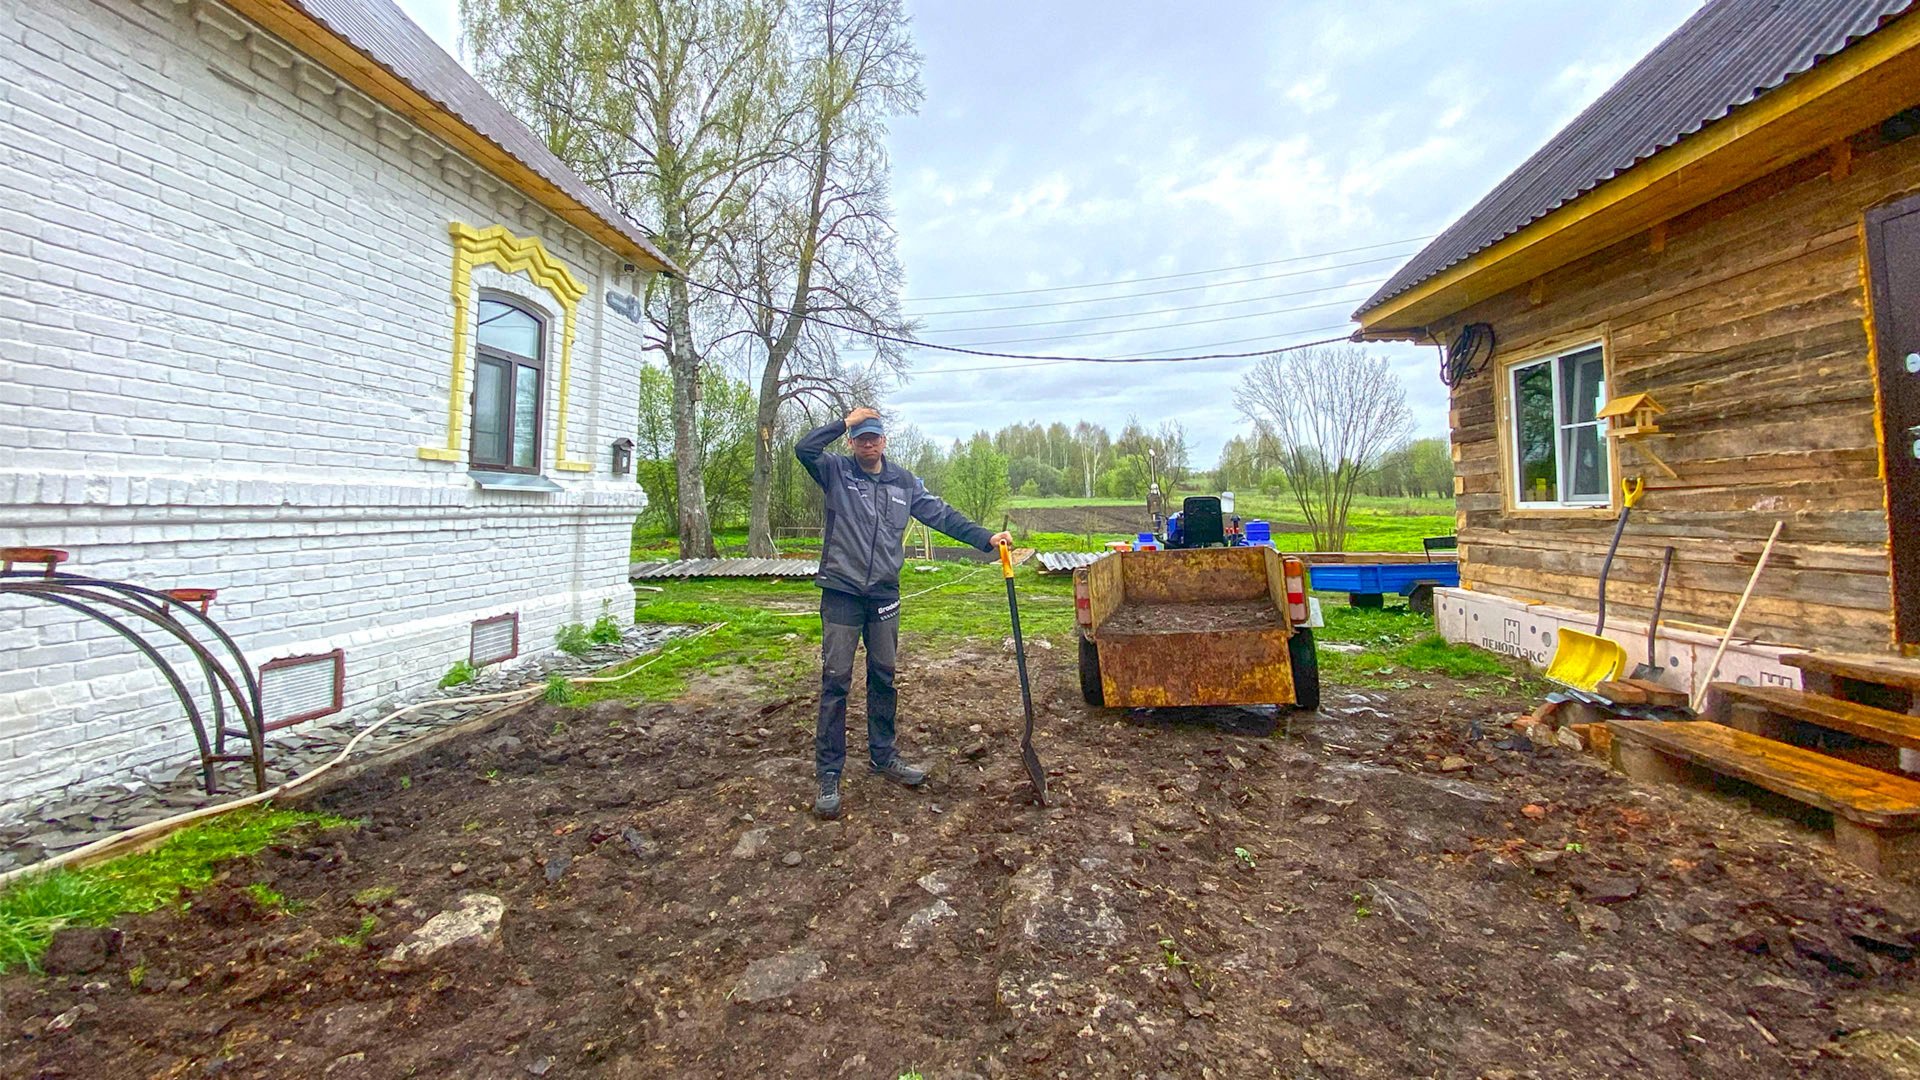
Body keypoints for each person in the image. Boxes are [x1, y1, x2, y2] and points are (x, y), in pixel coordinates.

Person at [796, 406, 1012, 819]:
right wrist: (845, 420)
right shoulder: (835, 471)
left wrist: (986, 538)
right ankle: (829, 773)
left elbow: (943, 515)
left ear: (884, 440)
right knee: (836, 681)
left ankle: (883, 755)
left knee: (884, 676)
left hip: (883, 593)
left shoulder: (903, 482)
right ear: (851, 442)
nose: (868, 443)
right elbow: (803, 449)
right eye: (861, 437)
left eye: (873, 436)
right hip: (841, 592)